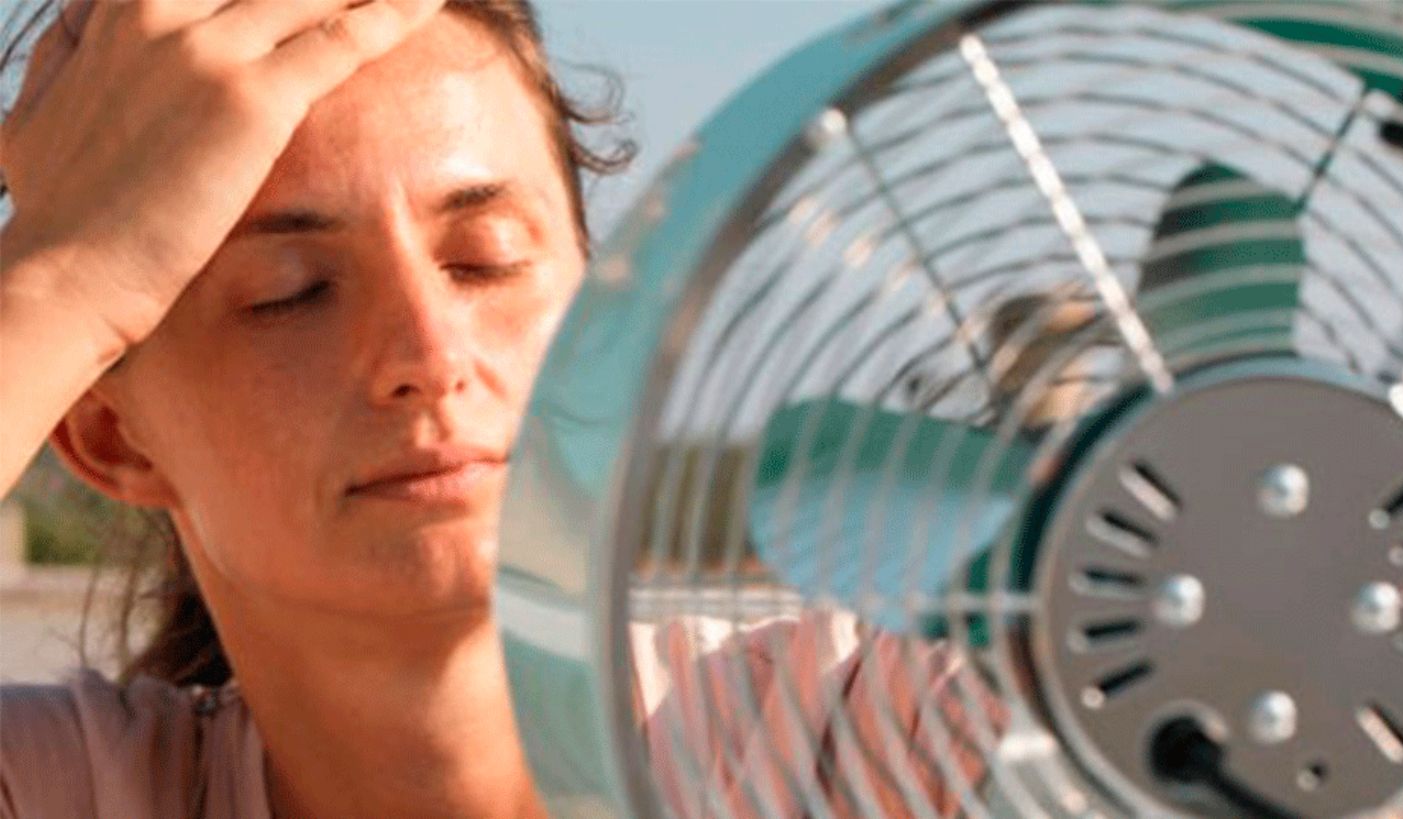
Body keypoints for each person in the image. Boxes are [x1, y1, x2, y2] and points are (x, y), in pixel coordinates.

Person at [0, 2, 1001, 816]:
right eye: (290, 291)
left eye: (485, 261)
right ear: (111, 436)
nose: (429, 356)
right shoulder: (66, 792)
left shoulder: (885, 743)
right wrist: (63, 285)